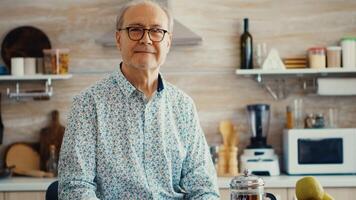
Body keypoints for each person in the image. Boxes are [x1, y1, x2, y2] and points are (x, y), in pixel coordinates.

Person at [58, 0, 219, 199]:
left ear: (168, 42)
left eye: (156, 31)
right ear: (118, 39)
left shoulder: (183, 106)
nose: (146, 39)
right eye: (135, 30)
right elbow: (75, 188)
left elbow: (204, 187)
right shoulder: (88, 105)